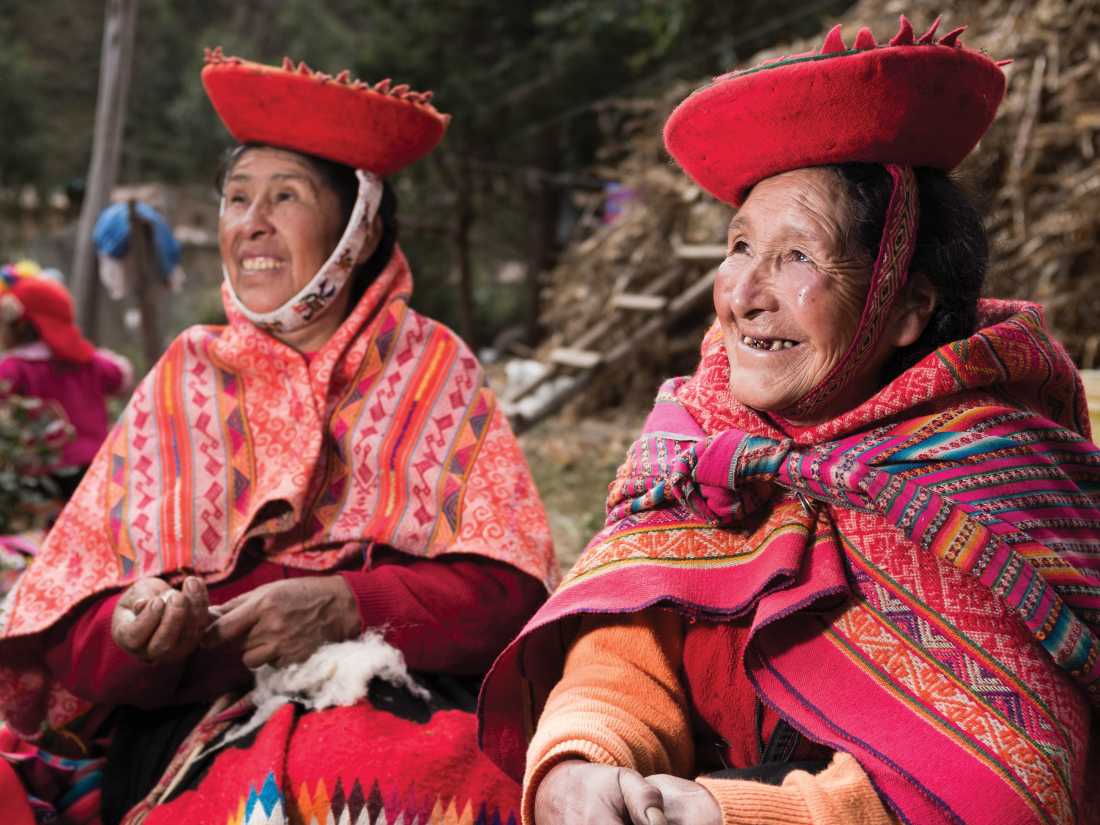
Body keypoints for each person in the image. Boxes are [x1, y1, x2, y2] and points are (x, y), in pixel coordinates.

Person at [479, 17, 1100, 825]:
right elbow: (628, 644)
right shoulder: (698, 440)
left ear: (907, 304)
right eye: (739, 247)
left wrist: (735, 813)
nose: (743, 294)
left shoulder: (994, 475)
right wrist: (583, 753)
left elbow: (1013, 785)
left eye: (797, 256)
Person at [0, 50, 557, 825]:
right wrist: (137, 633)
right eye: (236, 198)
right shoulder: (182, 378)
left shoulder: (431, 367)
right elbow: (77, 634)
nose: (250, 223)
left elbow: (507, 595)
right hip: (196, 723)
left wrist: (346, 603)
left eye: (285, 196)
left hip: (406, 693)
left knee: (432, 791)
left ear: (357, 229)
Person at [0, 261, 132, 498]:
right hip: (97, 466)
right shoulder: (88, 363)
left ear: (18, 325)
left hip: (41, 472)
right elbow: (120, 376)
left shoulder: (14, 368)